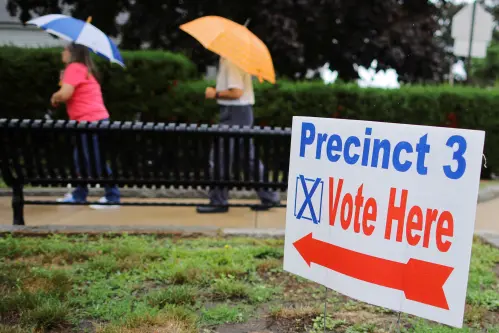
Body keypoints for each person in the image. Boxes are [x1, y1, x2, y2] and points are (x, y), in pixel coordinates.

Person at [196, 57, 280, 214]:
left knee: (221, 157)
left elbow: (236, 92)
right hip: (242, 112)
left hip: (235, 113)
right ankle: (269, 196)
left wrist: (214, 93)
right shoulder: (233, 59)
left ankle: (218, 201)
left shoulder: (231, 61)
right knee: (248, 158)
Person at [51, 43, 120, 209]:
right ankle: (79, 195)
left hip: (89, 121)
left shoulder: (74, 68)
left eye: (65, 49)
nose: (62, 52)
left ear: (72, 53)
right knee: (83, 159)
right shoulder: (83, 68)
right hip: (95, 120)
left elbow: (66, 94)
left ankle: (112, 198)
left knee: (95, 160)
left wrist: (55, 96)